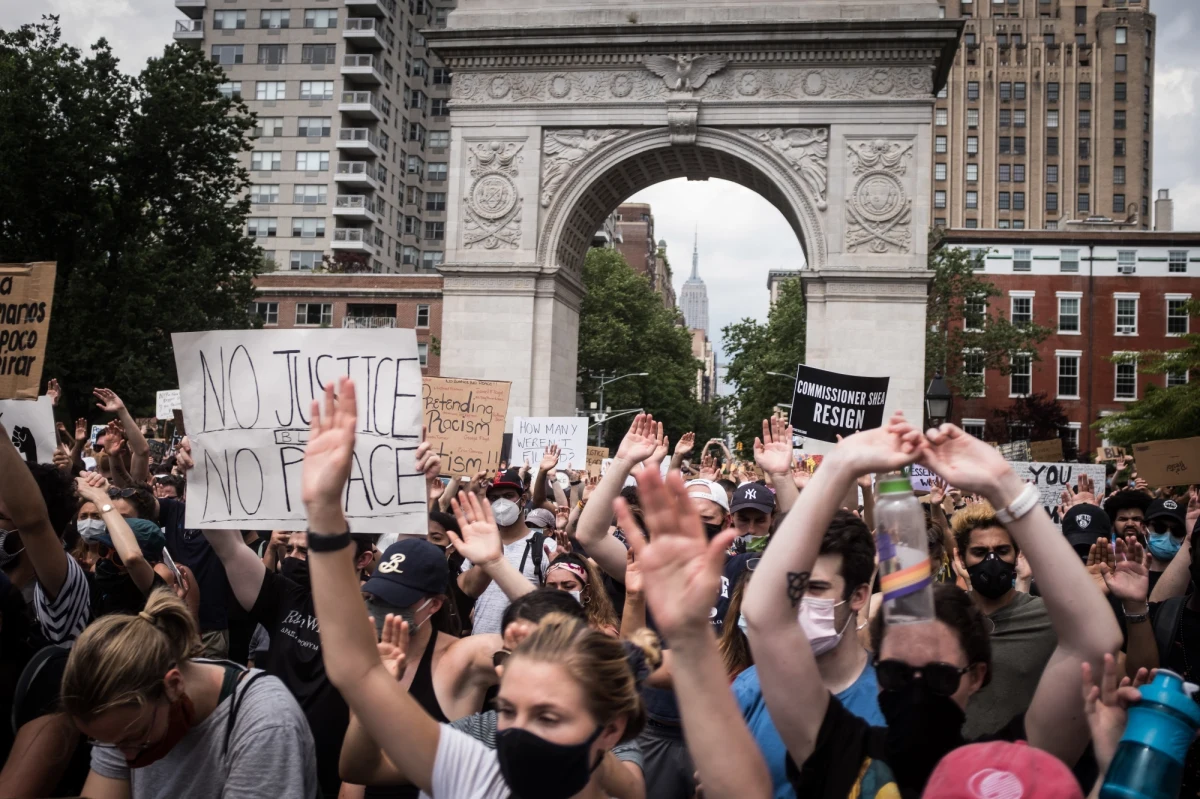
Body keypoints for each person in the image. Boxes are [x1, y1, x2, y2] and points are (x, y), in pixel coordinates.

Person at [301, 374, 662, 799]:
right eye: (506, 709)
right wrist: (324, 512)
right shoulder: (477, 763)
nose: (517, 731)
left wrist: (495, 563)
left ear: (609, 730)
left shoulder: (621, 781)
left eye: (549, 716)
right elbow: (358, 753)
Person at [742, 417, 1122, 798]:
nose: (915, 691)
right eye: (895, 673)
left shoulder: (1006, 771)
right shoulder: (842, 754)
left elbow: (1094, 642)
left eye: (940, 675)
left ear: (976, 676)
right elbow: (765, 616)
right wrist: (839, 465)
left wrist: (1004, 485)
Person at [62, 588, 317, 798]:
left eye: (135, 739)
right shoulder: (121, 722)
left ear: (173, 686)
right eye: (110, 743)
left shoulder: (266, 723)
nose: (126, 755)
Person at [732, 509, 884, 799]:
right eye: (790, 586)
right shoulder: (749, 690)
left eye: (815, 588)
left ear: (858, 596)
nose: (797, 602)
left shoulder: (892, 700)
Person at [951, 501, 1057, 738]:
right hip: (952, 761)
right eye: (979, 552)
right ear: (961, 557)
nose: (992, 561)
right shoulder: (947, 615)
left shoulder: (1047, 616)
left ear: (1017, 554)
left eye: (1002, 551)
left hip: (1019, 764)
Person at [457, 467, 557, 635]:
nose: (501, 503)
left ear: (523, 499)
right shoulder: (479, 547)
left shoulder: (546, 547)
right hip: (479, 648)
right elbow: (462, 592)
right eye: (494, 498)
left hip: (523, 652)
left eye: (508, 496)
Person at [544, 551, 621, 636]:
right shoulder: (536, 630)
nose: (559, 593)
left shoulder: (603, 634)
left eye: (568, 586)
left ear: (586, 591)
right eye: (551, 587)